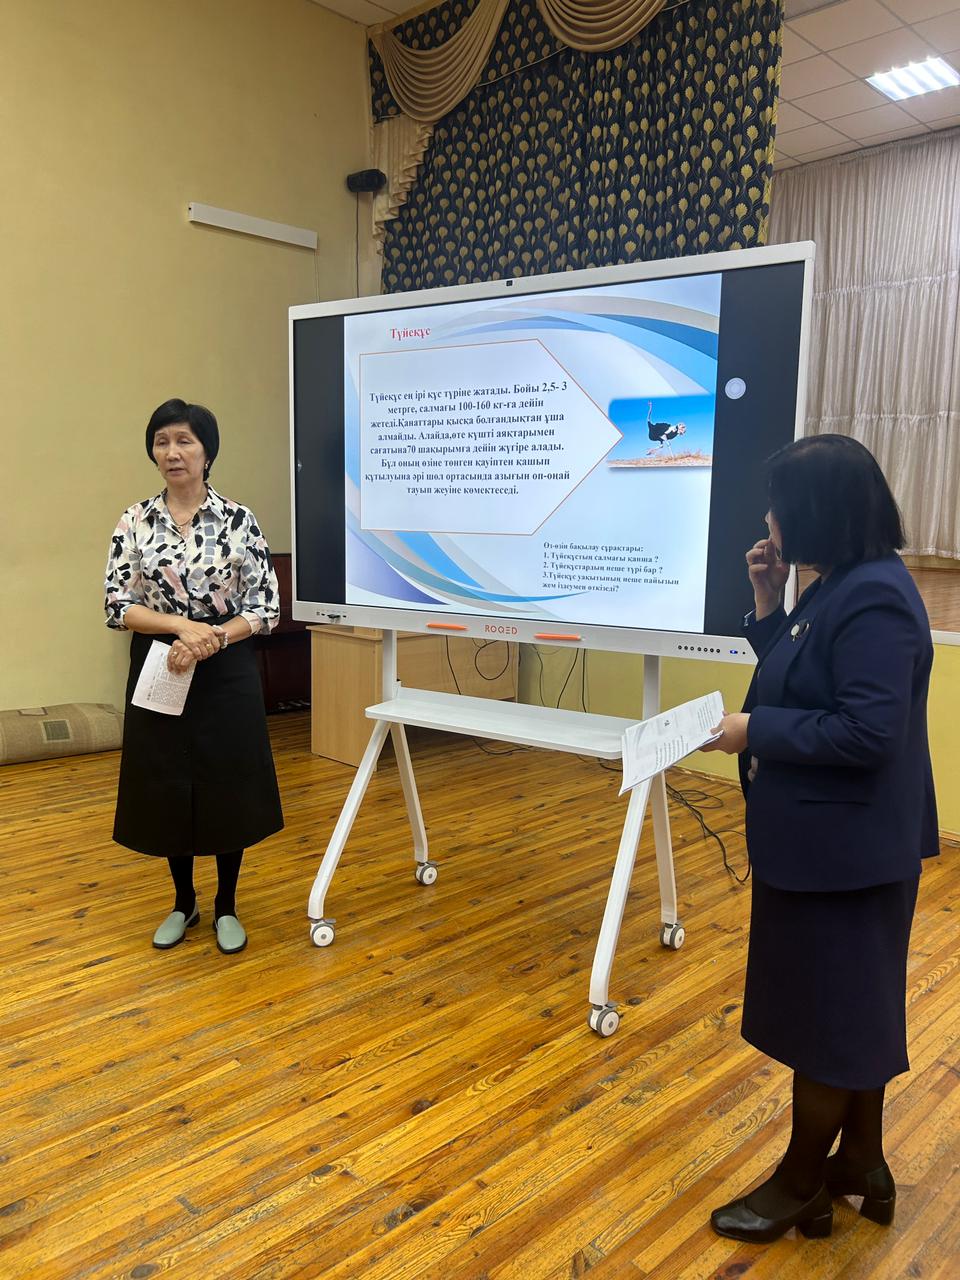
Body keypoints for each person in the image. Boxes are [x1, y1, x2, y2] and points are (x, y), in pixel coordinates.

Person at [703, 434, 938, 1244]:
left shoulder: (874, 598)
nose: (769, 522)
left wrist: (753, 730)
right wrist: (769, 603)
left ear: (818, 513)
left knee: (831, 1023)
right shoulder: (839, 582)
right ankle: (862, 1162)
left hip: (848, 855)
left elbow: (867, 732)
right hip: (831, 845)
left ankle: (801, 1181)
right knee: (852, 1013)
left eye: (780, 508)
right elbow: (799, 676)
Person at [105, 399, 284, 954]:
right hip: (161, 661)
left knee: (228, 781)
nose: (172, 452)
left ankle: (227, 904)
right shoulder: (135, 520)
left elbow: (267, 606)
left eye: (184, 440)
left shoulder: (239, 520)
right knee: (166, 782)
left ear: (207, 451)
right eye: (162, 441)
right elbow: (118, 605)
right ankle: (184, 902)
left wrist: (213, 638)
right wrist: (182, 628)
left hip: (226, 666)